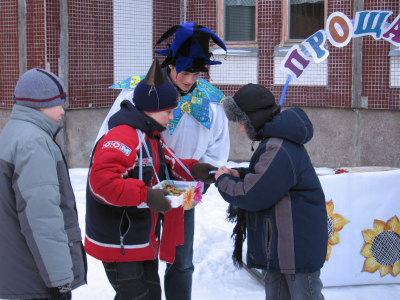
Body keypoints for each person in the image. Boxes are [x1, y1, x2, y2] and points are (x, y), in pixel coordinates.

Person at [95, 22, 229, 300]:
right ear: (170, 64)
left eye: (195, 73)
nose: (189, 79)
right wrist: (138, 187)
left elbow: (217, 149)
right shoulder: (139, 92)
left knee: (182, 260)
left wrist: (198, 176)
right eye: (184, 71)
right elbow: (109, 139)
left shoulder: (213, 103)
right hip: (140, 194)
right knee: (144, 257)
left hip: (184, 190)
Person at [85, 58, 204, 300]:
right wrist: (146, 195)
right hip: (121, 242)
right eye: (169, 111)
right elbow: (102, 183)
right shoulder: (124, 136)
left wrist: (202, 171)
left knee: (150, 294)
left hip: (142, 238)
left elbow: (171, 163)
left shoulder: (150, 135)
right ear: (151, 109)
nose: (172, 118)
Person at [212, 84, 327, 299]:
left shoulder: (279, 147)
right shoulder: (276, 143)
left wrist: (224, 181)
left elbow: (255, 194)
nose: (241, 129)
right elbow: (267, 178)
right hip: (282, 248)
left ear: (253, 118)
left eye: (242, 122)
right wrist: (240, 174)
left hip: (295, 250)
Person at [0, 68, 87, 300]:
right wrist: (59, 282)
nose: (62, 111)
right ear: (39, 105)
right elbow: (42, 219)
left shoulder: (14, 131)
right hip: (35, 279)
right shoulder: (33, 143)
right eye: (57, 104)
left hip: (18, 271)